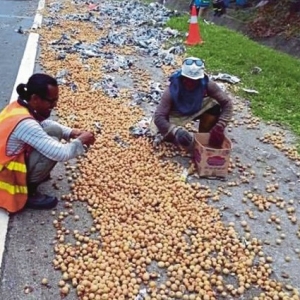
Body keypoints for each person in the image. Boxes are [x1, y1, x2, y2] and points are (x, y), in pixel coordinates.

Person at [0, 73, 96, 213]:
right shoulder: (26, 124)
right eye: (51, 101)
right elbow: (62, 153)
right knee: (52, 147)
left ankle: (35, 176)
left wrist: (71, 132)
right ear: (35, 98)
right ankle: (29, 193)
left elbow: (44, 123)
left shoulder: (19, 106)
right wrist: (81, 141)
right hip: (5, 177)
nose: (55, 105)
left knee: (54, 130)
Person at [152, 57, 233, 151]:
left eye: (194, 81)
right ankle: (173, 135)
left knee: (214, 103)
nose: (190, 83)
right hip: (177, 113)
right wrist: (176, 131)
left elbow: (227, 103)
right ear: (182, 77)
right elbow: (159, 116)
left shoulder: (207, 85)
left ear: (200, 79)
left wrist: (220, 125)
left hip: (197, 107)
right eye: (187, 79)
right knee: (158, 129)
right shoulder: (172, 90)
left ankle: (204, 136)